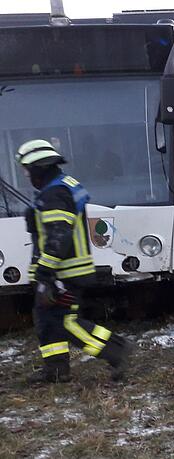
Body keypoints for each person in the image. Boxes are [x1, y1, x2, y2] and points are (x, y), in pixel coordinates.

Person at [17, 139, 133, 383]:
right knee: (47, 320)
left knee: (65, 322)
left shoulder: (54, 194)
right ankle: (56, 371)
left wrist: (46, 275)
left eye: (28, 170)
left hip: (64, 273)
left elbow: (58, 235)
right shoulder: (62, 186)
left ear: (39, 169)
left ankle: (117, 350)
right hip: (65, 270)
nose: (27, 176)